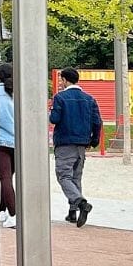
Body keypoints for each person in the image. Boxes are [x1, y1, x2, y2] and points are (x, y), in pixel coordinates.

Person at [48, 67, 101, 227]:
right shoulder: (89, 99)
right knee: (76, 177)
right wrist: (94, 140)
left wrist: (51, 112)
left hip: (65, 142)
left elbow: (55, 119)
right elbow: (97, 121)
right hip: (82, 144)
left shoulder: (60, 98)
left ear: (64, 80)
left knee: (64, 176)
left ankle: (80, 202)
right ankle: (73, 213)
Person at [0, 62, 17, 228]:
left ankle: (13, 213)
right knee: (8, 179)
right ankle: (1, 210)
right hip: (18, 143)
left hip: (0, 141)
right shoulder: (19, 93)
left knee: (5, 178)